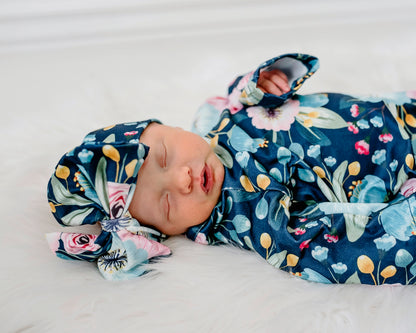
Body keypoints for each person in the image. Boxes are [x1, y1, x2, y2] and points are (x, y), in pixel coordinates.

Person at [47, 53, 416, 285]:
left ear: (167, 127)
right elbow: (327, 248)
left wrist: (265, 85)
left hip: (396, 111)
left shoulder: (212, 122)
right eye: (166, 204)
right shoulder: (250, 216)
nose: (182, 178)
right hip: (400, 168)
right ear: (162, 232)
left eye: (163, 157)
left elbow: (242, 96)